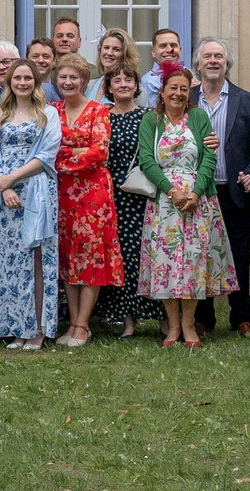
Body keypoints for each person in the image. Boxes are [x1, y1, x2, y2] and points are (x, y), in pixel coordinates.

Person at [136, 64, 234, 348]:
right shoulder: (151, 121)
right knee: (165, 264)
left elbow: (208, 157)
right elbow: (146, 160)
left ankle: (190, 326)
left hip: (197, 201)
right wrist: (171, 191)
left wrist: (196, 192)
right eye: (172, 88)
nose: (178, 93)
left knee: (192, 263)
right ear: (162, 91)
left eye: (183, 88)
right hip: (164, 203)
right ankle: (172, 327)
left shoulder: (199, 117)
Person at [190, 38, 250, 340]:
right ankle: (203, 317)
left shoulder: (248, 101)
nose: (212, 61)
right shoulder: (186, 99)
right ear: (198, 64)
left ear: (227, 63)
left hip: (234, 192)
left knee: (237, 256)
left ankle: (241, 317)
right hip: (198, 193)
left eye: (218, 56)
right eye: (207, 56)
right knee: (201, 255)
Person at [0, 59, 60, 348]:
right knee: (9, 262)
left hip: (36, 191)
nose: (23, 82)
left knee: (36, 260)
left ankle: (38, 329)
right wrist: (3, 187)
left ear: (36, 82)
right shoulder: (0, 114)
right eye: (18, 78)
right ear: (9, 81)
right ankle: (17, 327)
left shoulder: (48, 113)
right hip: (5, 195)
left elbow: (47, 155)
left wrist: (12, 178)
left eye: (29, 78)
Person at [50, 54, 120, 346]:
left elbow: (98, 153)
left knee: (90, 256)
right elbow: (47, 150)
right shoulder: (51, 110)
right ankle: (73, 323)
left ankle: (82, 324)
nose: (68, 82)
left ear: (83, 81)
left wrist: (65, 156)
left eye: (74, 78)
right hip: (61, 193)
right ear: (57, 80)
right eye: (63, 77)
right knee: (68, 256)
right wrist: (73, 154)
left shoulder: (98, 111)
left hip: (93, 194)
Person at [93, 66, 163, 337]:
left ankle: (159, 316)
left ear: (137, 86)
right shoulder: (100, 116)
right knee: (117, 256)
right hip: (108, 194)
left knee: (143, 255)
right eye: (116, 80)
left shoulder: (149, 116)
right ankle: (126, 320)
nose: (123, 84)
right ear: (108, 87)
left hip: (140, 194)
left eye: (128, 80)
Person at [85, 29, 143, 105]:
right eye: (106, 48)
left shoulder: (134, 89)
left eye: (116, 49)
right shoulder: (89, 85)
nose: (109, 53)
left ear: (125, 54)